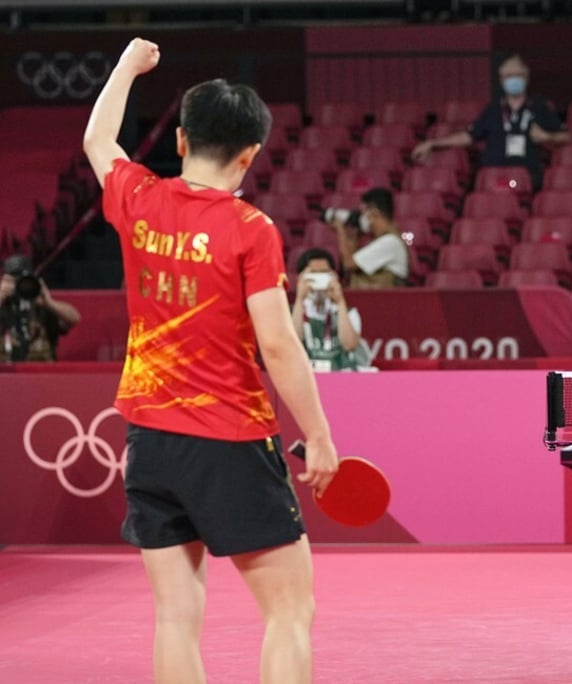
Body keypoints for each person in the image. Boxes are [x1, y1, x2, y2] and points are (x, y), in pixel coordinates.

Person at [83, 38, 338, 684]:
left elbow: (97, 139)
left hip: (151, 441)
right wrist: (320, 436)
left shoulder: (140, 200)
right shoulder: (251, 228)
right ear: (250, 155)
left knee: (176, 615)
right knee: (289, 610)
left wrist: (127, 67)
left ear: (180, 143)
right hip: (229, 439)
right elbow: (278, 344)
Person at [410, 54, 570, 189]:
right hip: (493, 176)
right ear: (501, 80)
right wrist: (433, 144)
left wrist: (547, 137)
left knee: (507, 186)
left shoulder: (539, 107)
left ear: (526, 78)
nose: (513, 80)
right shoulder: (493, 110)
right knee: (487, 188)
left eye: (517, 75)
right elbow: (468, 136)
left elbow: (566, 137)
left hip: (523, 178)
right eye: (508, 76)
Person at [291, 247, 372, 371]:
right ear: (300, 277)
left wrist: (340, 302)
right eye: (313, 273)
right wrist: (300, 299)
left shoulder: (348, 311)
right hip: (307, 378)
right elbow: (291, 342)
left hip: (342, 376)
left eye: (324, 272)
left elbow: (349, 344)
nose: (319, 278)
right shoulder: (291, 312)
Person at [321, 187, 409, 289]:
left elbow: (348, 264)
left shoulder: (390, 242)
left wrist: (340, 230)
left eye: (363, 213)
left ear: (374, 213)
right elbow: (351, 269)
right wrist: (354, 235)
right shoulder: (382, 240)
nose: (362, 217)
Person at [0, 253, 81, 362]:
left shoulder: (43, 307)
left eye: (21, 280)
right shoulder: (3, 306)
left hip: (41, 374)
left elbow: (74, 318)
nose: (16, 285)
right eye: (11, 280)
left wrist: (49, 303)